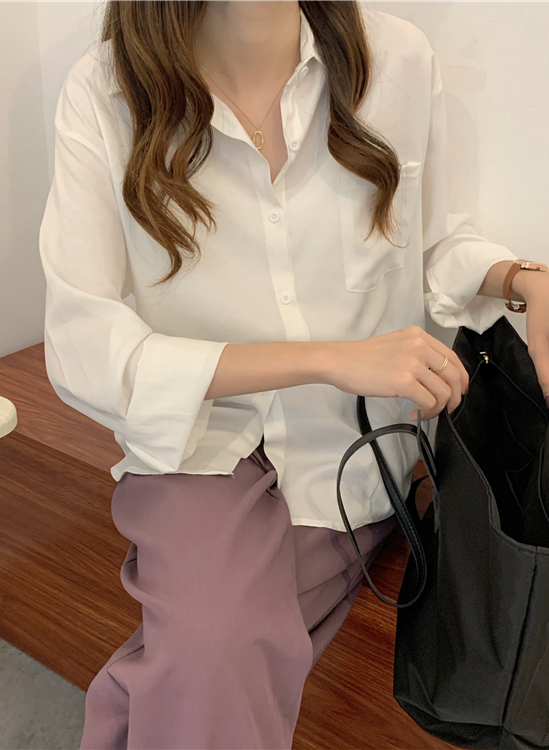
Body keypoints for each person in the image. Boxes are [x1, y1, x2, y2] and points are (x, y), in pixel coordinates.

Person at [38, 1, 548, 748]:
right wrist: (326, 358)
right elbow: (82, 345)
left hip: (353, 454)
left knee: (206, 657)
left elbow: (436, 243)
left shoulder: (397, 61)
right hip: (200, 446)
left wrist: (527, 280)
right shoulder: (106, 91)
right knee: (212, 644)